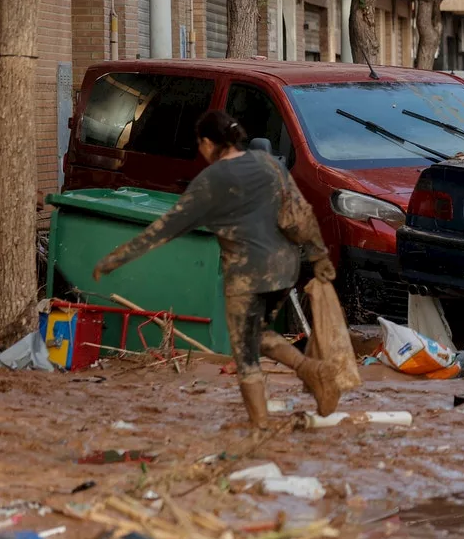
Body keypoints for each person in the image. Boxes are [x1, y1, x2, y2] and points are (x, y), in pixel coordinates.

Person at [93, 110, 342, 429]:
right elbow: (299, 214)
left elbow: (164, 229)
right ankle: (311, 371)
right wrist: (319, 256)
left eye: (200, 144)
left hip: (247, 277)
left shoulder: (210, 182)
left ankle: (261, 426)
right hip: (284, 269)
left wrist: (115, 259)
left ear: (209, 143)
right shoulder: (268, 164)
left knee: (245, 355)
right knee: (258, 335)